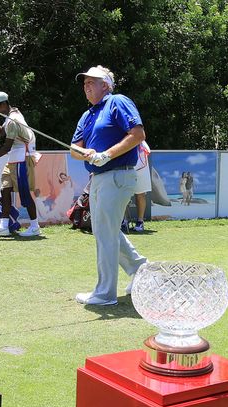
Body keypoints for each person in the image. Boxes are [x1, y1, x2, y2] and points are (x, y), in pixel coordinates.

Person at [69, 65, 148, 306]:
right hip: (98, 177)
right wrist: (87, 153)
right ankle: (140, 269)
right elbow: (74, 149)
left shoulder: (117, 101)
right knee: (106, 230)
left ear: (106, 84)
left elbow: (137, 134)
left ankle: (104, 294)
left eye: (91, 82)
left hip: (118, 174)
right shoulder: (87, 115)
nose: (86, 86)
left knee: (104, 232)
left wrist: (107, 154)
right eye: (84, 83)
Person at [0, 91, 41, 237]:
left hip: (21, 159)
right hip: (14, 158)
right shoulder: (10, 116)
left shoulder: (13, 120)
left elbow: (6, 146)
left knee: (24, 195)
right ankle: (4, 226)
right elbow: (1, 132)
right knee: (5, 190)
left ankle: (35, 226)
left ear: (3, 104)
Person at [130, 142, 152, 232]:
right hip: (125, 164)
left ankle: (140, 221)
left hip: (140, 164)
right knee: (123, 194)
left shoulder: (138, 132)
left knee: (140, 194)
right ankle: (124, 221)